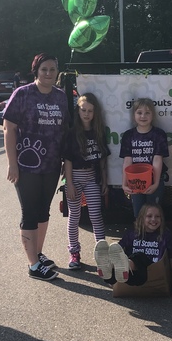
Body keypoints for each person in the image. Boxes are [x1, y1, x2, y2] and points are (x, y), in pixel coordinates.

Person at [3, 52, 69, 282]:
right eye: (44, 70)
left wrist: (63, 160)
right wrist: (12, 163)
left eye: (52, 69)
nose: (48, 74)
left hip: (51, 164)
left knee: (43, 211)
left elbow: (64, 131)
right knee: (29, 212)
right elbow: (8, 128)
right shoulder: (22, 94)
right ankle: (33, 265)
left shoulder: (61, 97)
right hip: (26, 165)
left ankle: (38, 255)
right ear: (36, 71)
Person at [93, 203, 172, 300]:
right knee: (120, 257)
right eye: (149, 216)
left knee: (139, 256)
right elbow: (117, 249)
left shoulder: (165, 236)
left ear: (162, 219)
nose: (153, 219)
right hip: (128, 276)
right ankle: (108, 267)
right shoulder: (132, 234)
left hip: (149, 272)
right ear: (141, 218)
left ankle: (122, 265)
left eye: (157, 216)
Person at [63, 93, 110, 270]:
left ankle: (102, 253)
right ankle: (74, 252)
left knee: (96, 216)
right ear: (78, 110)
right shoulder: (72, 133)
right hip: (75, 177)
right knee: (74, 217)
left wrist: (104, 180)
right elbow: (67, 160)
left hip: (91, 177)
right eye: (83, 110)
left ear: (95, 112)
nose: (87, 114)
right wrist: (70, 184)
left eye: (90, 111)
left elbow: (102, 159)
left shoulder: (98, 132)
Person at [120, 98, 169, 217]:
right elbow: (127, 161)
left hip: (154, 181)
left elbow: (158, 159)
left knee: (154, 214)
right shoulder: (128, 135)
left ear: (153, 115)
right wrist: (124, 183)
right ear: (134, 115)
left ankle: (156, 236)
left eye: (147, 112)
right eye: (139, 112)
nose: (143, 116)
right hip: (135, 182)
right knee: (139, 214)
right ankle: (140, 235)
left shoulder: (159, 134)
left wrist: (155, 183)